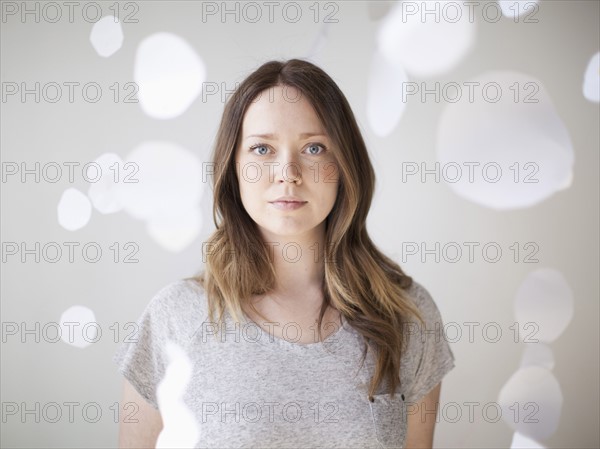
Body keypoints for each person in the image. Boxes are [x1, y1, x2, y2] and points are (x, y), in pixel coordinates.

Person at [113, 58, 455, 448]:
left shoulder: (407, 315)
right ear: (234, 168)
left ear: (345, 166)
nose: (287, 171)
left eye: (314, 147)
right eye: (262, 149)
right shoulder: (174, 317)